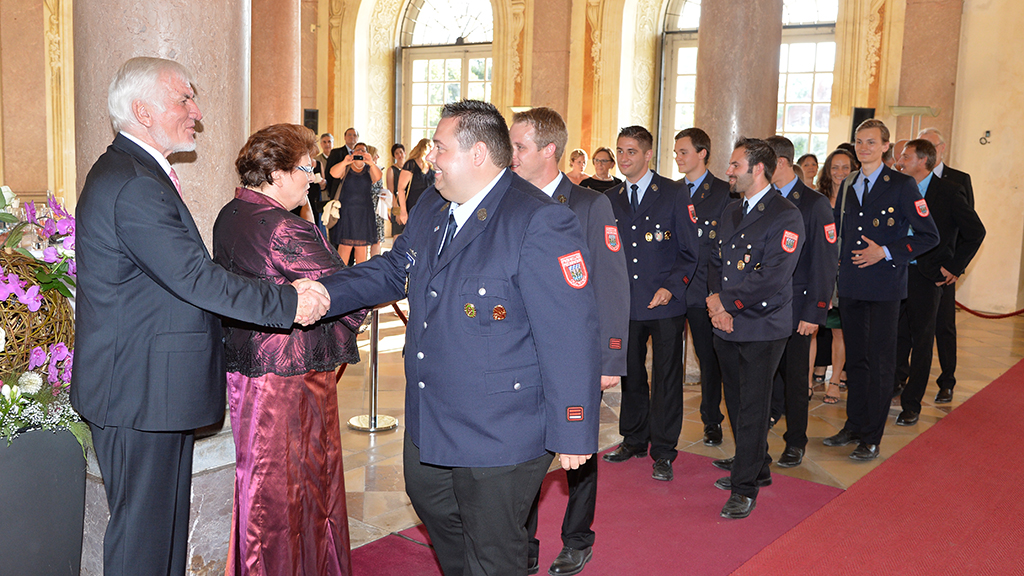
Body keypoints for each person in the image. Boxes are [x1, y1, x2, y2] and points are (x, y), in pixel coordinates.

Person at [318, 100, 602, 576]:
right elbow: (395, 269)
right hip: (435, 413)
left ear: (477, 156)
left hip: (501, 427)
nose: (430, 158)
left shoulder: (537, 219)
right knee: (433, 505)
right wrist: (322, 293)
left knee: (494, 546)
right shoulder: (434, 204)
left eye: (440, 149)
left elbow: (571, 331)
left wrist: (574, 427)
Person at [71, 57, 329, 576]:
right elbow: (195, 278)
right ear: (142, 111)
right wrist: (288, 303)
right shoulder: (133, 183)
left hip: (148, 389)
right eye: (184, 100)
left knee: (161, 533)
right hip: (138, 391)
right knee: (143, 542)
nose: (197, 111)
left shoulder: (136, 172)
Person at [214, 123, 368, 576]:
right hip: (291, 379)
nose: (313, 179)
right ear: (277, 174)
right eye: (306, 169)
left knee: (260, 485)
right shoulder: (284, 228)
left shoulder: (230, 213)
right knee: (296, 490)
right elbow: (345, 286)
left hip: (248, 373)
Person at [510, 107, 629, 576]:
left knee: (576, 448)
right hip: (521, 353)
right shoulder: (508, 200)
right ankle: (524, 540)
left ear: (548, 150)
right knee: (523, 454)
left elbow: (611, 285)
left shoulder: (587, 205)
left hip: (575, 355)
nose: (511, 155)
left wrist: (609, 357)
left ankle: (578, 537)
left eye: (519, 147)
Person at [823, 119, 938, 461]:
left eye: (871, 142)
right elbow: (840, 231)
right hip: (853, 285)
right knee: (856, 360)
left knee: (880, 362)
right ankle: (854, 425)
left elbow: (928, 235)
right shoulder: (849, 183)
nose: (864, 148)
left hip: (885, 286)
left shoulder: (902, 185)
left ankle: (872, 436)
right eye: (859, 141)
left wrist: (885, 251)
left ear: (886, 146)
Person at [706, 138, 804, 519]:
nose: (728, 171)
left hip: (763, 325)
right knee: (736, 401)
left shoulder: (785, 214)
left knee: (752, 407)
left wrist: (727, 304)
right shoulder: (731, 210)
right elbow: (714, 259)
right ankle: (757, 467)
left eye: (735, 166)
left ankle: (744, 486)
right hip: (726, 321)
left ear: (758, 169)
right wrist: (716, 302)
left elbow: (773, 276)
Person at [602, 125, 699, 482]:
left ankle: (663, 449)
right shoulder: (609, 198)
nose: (624, 159)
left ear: (647, 155)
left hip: (664, 304)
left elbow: (690, 251)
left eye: (630, 152)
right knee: (630, 374)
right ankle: (633, 438)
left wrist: (672, 288)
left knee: (666, 377)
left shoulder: (674, 193)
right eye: (620, 152)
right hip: (625, 305)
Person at [893, 139, 985, 425]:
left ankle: (911, 404)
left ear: (923, 161)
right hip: (896, 273)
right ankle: (893, 385)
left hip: (927, 276)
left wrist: (954, 266)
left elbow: (975, 231)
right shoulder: (897, 188)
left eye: (906, 156)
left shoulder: (948, 191)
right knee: (896, 336)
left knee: (922, 341)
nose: (900, 161)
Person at [765, 136, 838, 468]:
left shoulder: (813, 203)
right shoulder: (762, 199)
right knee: (763, 378)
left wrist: (815, 311)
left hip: (797, 309)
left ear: (780, 163)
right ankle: (755, 442)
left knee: (796, 380)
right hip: (762, 309)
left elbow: (824, 262)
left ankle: (795, 440)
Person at [673, 127, 732, 448]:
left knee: (708, 359)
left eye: (684, 152)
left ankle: (712, 420)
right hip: (672, 290)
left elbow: (725, 248)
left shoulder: (723, 193)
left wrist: (718, 294)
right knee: (669, 359)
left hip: (702, 291)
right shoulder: (671, 191)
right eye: (676, 152)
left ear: (702, 153)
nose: (678, 157)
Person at [917, 127, 975, 404]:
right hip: (915, 269)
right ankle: (903, 377)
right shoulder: (908, 181)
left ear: (941, 149)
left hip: (943, 269)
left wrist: (955, 266)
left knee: (944, 327)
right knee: (911, 328)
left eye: (930, 145)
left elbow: (968, 227)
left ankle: (947, 380)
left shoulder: (959, 180)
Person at [812, 148, 857, 402]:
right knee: (812, 327)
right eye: (835, 168)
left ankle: (835, 381)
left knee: (840, 331)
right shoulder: (817, 199)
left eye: (845, 168)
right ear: (828, 171)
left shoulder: (858, 198)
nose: (840, 172)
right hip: (819, 270)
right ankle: (807, 380)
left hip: (845, 272)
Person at [328, 141, 382, 264]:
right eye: (357, 150)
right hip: (347, 213)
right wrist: (345, 161)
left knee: (361, 250)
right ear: (352, 152)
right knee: (344, 248)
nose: (360, 152)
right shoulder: (346, 167)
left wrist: (371, 162)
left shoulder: (369, 169)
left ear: (367, 153)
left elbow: (378, 177)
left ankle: (358, 279)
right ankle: (341, 278)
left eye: (363, 150)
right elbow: (333, 173)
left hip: (364, 213)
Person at [395, 137, 435, 231]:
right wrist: (403, 211)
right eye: (431, 147)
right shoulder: (411, 164)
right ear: (427, 147)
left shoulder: (432, 165)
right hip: (414, 206)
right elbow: (401, 188)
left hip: (430, 206)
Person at [386, 142, 406, 234]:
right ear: (394, 156)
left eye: (401, 152)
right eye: (397, 153)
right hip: (397, 204)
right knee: (398, 234)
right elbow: (391, 191)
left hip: (408, 204)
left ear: (405, 153)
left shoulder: (409, 169)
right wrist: (397, 212)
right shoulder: (391, 170)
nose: (399, 155)